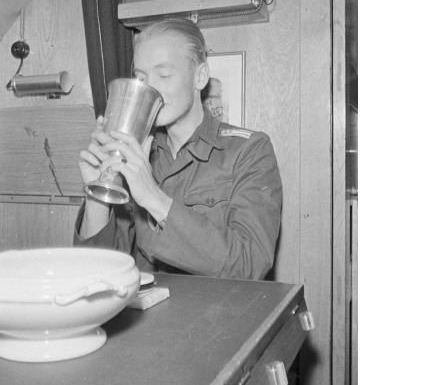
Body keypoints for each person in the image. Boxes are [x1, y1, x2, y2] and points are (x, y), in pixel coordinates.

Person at [73, 18, 282, 280]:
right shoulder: (134, 154)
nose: (150, 87)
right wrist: (98, 194)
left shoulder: (249, 150)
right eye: (141, 77)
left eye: (164, 75)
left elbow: (249, 265)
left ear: (200, 77)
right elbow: (98, 274)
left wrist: (153, 197)